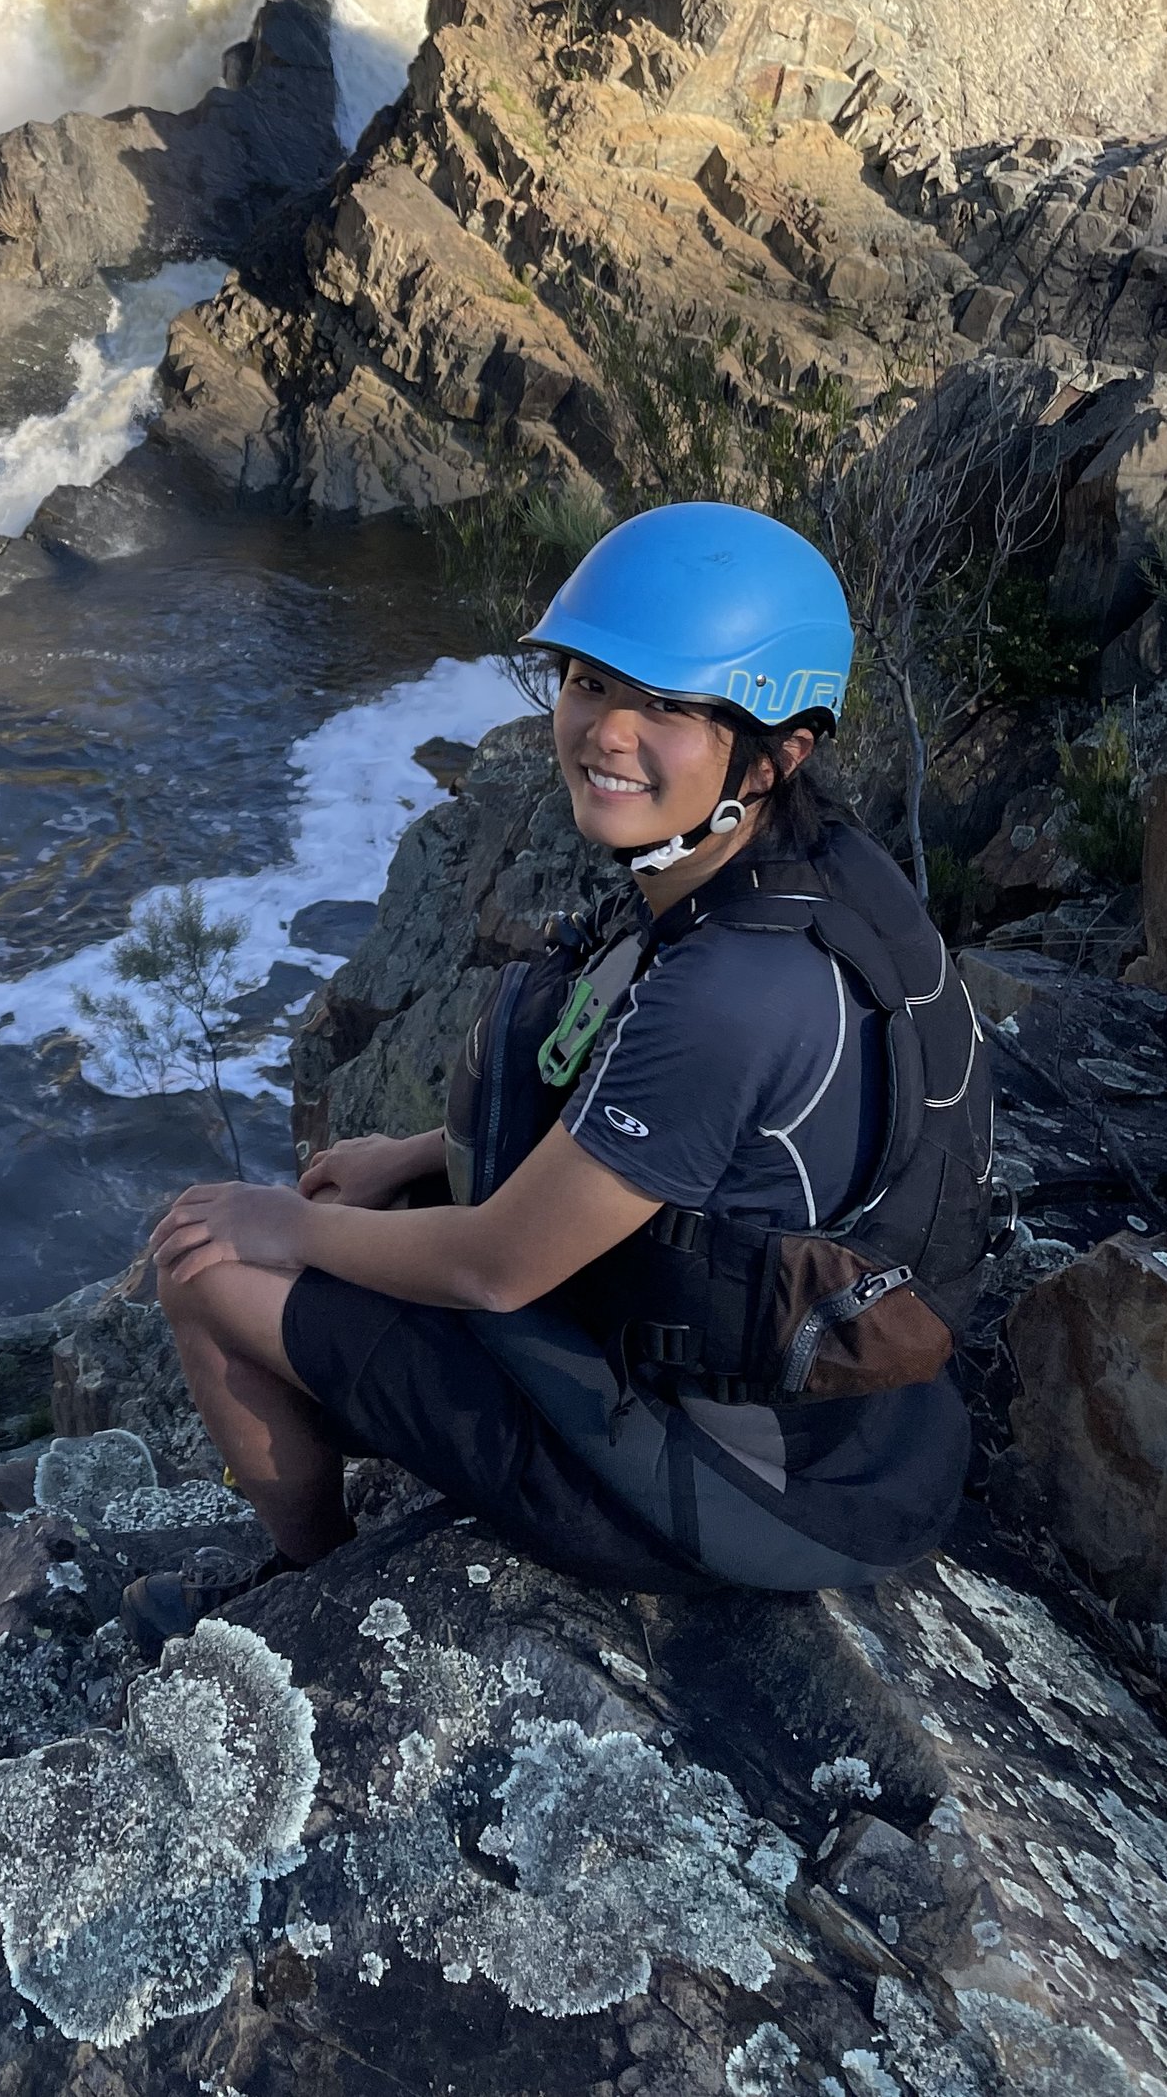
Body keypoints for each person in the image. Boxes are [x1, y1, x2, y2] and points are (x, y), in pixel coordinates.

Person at [150, 500, 995, 1596]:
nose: (604, 731)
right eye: (590, 682)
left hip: (738, 1480)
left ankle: (300, 1584)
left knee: (209, 1268)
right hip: (844, 1423)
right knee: (349, 1223)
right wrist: (412, 1154)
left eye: (666, 707)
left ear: (773, 753)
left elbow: (493, 1269)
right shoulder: (808, 874)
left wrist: (289, 1223)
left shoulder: (732, 993)